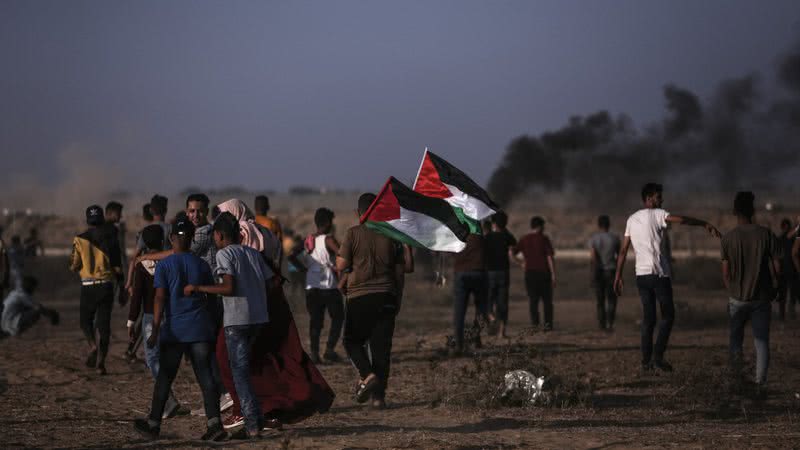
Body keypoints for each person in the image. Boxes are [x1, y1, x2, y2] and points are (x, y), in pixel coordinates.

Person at [213, 199, 335, 430]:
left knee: (232, 357)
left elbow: (244, 269)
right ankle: (266, 409)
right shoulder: (265, 230)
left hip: (249, 302)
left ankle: (245, 410)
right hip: (270, 297)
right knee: (270, 357)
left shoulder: (243, 232)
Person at [137, 194, 232, 414]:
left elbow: (178, 252)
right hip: (198, 301)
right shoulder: (201, 232)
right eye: (191, 211)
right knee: (203, 357)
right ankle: (215, 407)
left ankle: (222, 397)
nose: (195, 215)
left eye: (199, 211)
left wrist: (144, 259)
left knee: (203, 358)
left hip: (205, 300)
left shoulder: (203, 233)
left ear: (207, 211)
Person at [614, 183, 721, 372]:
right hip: (658, 274)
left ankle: (646, 362)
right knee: (668, 316)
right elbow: (682, 220)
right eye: (658, 197)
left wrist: (618, 276)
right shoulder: (658, 214)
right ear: (648, 198)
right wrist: (704, 223)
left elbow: (623, 251)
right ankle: (657, 357)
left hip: (641, 275)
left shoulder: (631, 219)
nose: (661, 200)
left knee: (649, 319)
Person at [185, 212, 270, 438]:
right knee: (247, 370)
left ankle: (252, 425)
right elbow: (269, 281)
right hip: (258, 317)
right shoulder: (253, 253)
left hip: (238, 320)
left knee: (239, 373)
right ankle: (257, 418)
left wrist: (199, 288)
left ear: (220, 235)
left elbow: (228, 288)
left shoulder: (224, 254)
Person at [336, 193, 410, 408]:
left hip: (359, 297)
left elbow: (341, 265)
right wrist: (398, 298)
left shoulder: (353, 234)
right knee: (381, 349)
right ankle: (379, 398)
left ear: (358, 213)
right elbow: (400, 271)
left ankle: (367, 376)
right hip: (386, 295)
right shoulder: (392, 235)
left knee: (351, 341)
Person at [721, 192, 780, 394]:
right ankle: (759, 384)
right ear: (753, 211)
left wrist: (732, 292)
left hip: (737, 298)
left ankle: (737, 379)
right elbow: (777, 267)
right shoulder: (766, 234)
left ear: (735, 212)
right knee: (761, 341)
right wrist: (775, 289)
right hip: (761, 298)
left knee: (735, 340)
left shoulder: (728, 238)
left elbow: (726, 274)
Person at [128, 224, 183, 418]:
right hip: (172, 314)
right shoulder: (171, 261)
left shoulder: (142, 266)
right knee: (165, 357)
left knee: (152, 359)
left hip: (151, 317)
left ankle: (168, 399)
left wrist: (130, 321)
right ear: (162, 241)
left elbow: (137, 298)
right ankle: (168, 399)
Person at [69, 205, 123, 375]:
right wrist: (122, 287)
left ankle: (92, 345)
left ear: (87, 220)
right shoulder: (111, 237)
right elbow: (117, 265)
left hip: (88, 287)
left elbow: (73, 265)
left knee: (85, 321)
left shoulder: (79, 239)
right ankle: (101, 364)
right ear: (102, 218)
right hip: (106, 286)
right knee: (104, 326)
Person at [288, 208, 344, 364]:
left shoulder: (308, 240)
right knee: (338, 317)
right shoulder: (329, 239)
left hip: (311, 286)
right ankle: (330, 350)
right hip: (329, 286)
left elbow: (291, 255)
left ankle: (314, 354)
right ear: (327, 223)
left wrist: (303, 269)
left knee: (315, 322)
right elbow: (342, 254)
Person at [511, 216, 556, 331]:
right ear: (540, 226)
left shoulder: (524, 239)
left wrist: (521, 263)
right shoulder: (544, 239)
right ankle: (547, 326)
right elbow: (549, 257)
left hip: (530, 273)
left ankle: (535, 325)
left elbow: (511, 253)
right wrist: (553, 274)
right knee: (547, 301)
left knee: (533, 301)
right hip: (544, 273)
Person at [126, 195, 171, 297]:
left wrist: (129, 282)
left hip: (148, 275)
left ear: (150, 211)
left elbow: (134, 258)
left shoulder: (145, 231)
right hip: (168, 276)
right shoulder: (171, 229)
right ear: (166, 210)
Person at [451, 232, 488, 354]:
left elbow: (448, 252)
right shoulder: (480, 237)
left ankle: (459, 345)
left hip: (461, 273)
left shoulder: (457, 236)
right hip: (479, 272)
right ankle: (476, 337)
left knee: (459, 311)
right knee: (481, 309)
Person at [484, 212, 516, 338]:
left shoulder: (488, 237)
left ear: (494, 223)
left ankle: (491, 316)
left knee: (489, 299)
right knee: (502, 302)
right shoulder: (506, 236)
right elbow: (514, 243)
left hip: (490, 272)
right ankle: (502, 332)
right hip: (503, 272)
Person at [589, 215, 621, 331]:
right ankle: (610, 323)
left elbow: (593, 258)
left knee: (600, 300)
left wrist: (593, 273)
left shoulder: (594, 239)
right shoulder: (615, 238)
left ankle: (601, 324)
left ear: (598, 225)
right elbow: (619, 256)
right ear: (609, 224)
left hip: (599, 271)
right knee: (612, 299)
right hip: (611, 271)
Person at [776, 218, 798, 320]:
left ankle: (782, 315)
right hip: (792, 269)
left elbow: (776, 256)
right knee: (792, 292)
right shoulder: (793, 238)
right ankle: (790, 313)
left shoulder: (779, 239)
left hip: (783, 271)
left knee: (783, 294)